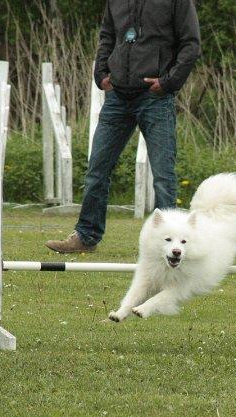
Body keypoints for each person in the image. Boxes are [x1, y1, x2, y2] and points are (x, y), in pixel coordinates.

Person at [46, 0, 201, 253]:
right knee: (97, 169)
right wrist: (101, 73)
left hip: (156, 97)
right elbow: (107, 36)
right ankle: (86, 237)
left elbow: (191, 45)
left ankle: (169, 246)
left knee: (163, 177)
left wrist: (169, 82)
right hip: (117, 96)